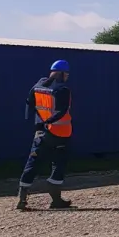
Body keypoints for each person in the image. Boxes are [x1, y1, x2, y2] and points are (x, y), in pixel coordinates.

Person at [16, 60, 74, 211]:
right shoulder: (63, 89)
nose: (67, 77)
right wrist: (49, 121)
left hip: (41, 133)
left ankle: (22, 200)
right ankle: (56, 199)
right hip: (60, 134)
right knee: (58, 164)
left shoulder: (39, 84)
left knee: (33, 162)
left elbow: (29, 102)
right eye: (66, 74)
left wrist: (34, 122)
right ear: (62, 73)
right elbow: (61, 111)